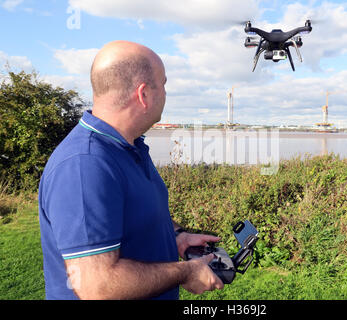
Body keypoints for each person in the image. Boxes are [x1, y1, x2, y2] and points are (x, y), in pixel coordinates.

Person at [38, 40, 224, 300]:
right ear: (144, 94)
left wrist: (177, 237)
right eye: (164, 84)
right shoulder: (85, 164)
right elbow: (97, 287)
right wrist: (185, 272)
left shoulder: (130, 146)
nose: (166, 93)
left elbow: (135, 214)